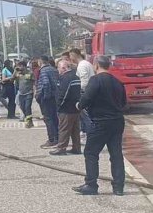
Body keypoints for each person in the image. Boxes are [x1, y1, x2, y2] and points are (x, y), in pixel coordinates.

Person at [73, 55, 127, 196]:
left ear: (96, 65)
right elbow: (123, 102)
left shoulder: (95, 80)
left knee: (91, 153)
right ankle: (118, 187)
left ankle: (91, 185)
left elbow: (87, 98)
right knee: (116, 154)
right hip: (117, 121)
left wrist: (79, 105)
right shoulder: (117, 82)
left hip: (101, 122)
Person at [50, 59, 82, 156]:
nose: (58, 70)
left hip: (66, 108)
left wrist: (59, 105)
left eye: (59, 68)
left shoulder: (65, 78)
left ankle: (61, 148)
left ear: (63, 68)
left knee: (64, 129)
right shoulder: (76, 77)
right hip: (75, 108)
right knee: (75, 129)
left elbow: (63, 93)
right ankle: (77, 147)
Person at [69, 48, 95, 134]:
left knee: (85, 116)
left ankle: (89, 133)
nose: (70, 58)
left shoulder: (82, 65)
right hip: (90, 91)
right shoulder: (87, 64)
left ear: (74, 55)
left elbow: (84, 80)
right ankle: (86, 132)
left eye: (70, 56)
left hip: (84, 92)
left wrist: (79, 90)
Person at [36, 55, 59, 149]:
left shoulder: (43, 70)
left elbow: (45, 84)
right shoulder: (54, 69)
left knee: (48, 118)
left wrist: (44, 96)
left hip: (47, 98)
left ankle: (52, 139)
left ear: (41, 62)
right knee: (55, 118)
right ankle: (57, 137)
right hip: (55, 96)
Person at [15, 61, 35, 128]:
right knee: (22, 107)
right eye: (18, 66)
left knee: (27, 107)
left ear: (24, 66)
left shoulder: (30, 73)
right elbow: (12, 79)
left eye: (21, 66)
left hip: (29, 93)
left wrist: (35, 91)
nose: (19, 68)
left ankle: (28, 122)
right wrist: (15, 72)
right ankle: (29, 120)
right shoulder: (18, 73)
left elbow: (34, 82)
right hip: (21, 93)